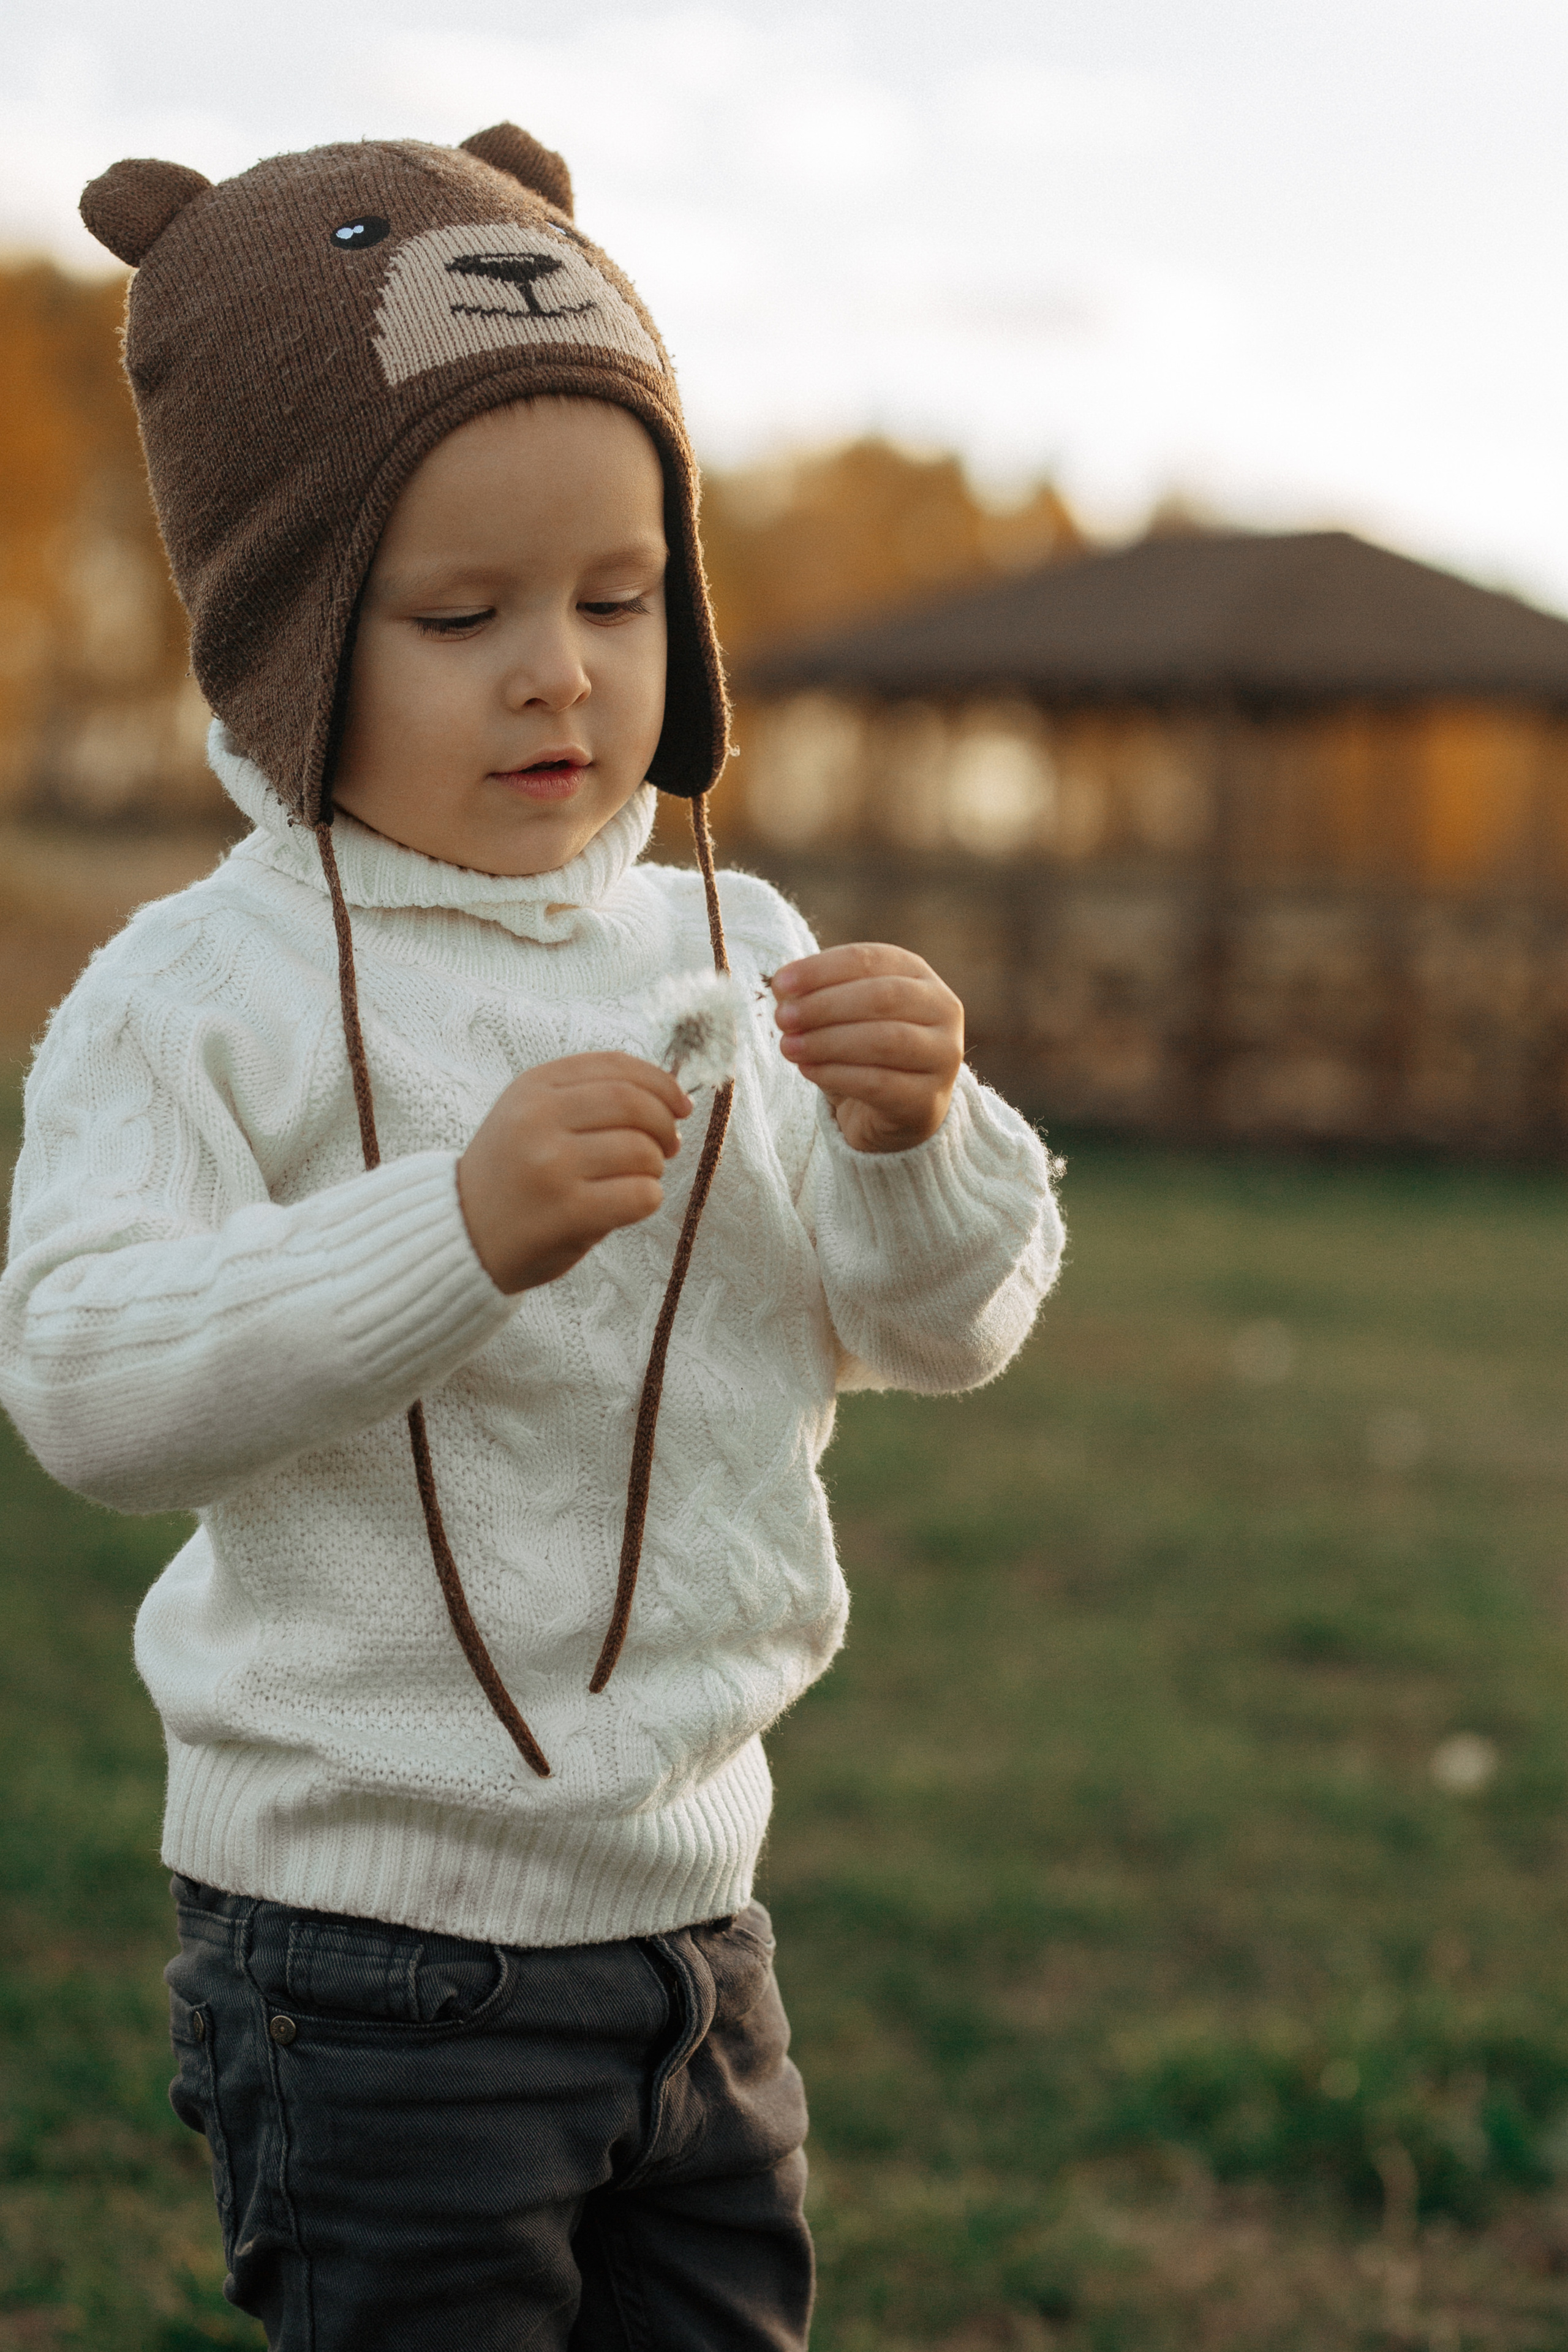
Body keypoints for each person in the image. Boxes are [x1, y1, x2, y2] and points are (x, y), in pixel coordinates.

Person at [0, 123, 1063, 2351]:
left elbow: (936, 1329)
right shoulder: (210, 992)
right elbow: (89, 1378)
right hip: (365, 1954)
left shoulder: (730, 936)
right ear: (286, 635)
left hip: (696, 1914)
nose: (562, 675)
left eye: (617, 600)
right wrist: (445, 1230)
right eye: (461, 617)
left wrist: (921, 1139)